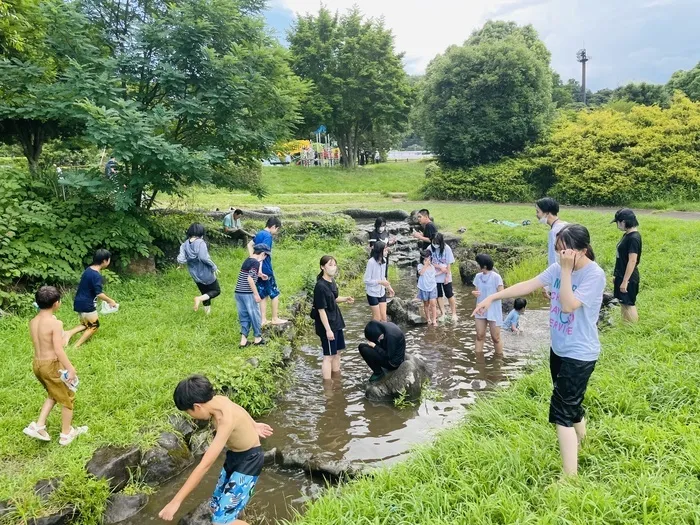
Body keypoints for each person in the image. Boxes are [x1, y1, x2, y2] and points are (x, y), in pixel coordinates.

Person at [472, 224, 606, 476]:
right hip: (560, 349)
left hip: (580, 354)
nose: (560, 257)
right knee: (570, 402)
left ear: (583, 250)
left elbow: (567, 306)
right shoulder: (558, 268)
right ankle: (585, 442)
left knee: (561, 412)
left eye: (565, 252)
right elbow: (528, 285)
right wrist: (492, 298)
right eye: (557, 251)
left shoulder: (594, 275)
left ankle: (570, 478)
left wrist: (566, 271)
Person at [158, 375, 273, 524]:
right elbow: (238, 408)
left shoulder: (225, 421)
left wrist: (176, 502)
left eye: (189, 412)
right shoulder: (218, 400)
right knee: (217, 504)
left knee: (222, 521)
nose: (191, 416)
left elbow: (204, 465)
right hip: (235, 456)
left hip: (249, 462)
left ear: (197, 406)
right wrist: (253, 424)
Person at [23, 286, 88, 445]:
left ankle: (39, 426)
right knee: (67, 397)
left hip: (38, 364)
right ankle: (66, 434)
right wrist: (70, 368)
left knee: (53, 393)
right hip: (51, 364)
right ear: (56, 304)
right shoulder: (55, 323)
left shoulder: (33, 321)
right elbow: (58, 350)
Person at [312, 255, 354, 380]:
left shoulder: (332, 282)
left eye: (335, 265)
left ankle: (336, 380)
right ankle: (328, 387)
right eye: (330, 265)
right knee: (328, 356)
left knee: (337, 353)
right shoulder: (320, 286)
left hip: (337, 322)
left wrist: (345, 298)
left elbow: (334, 299)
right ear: (322, 267)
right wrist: (328, 330)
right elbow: (321, 310)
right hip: (327, 325)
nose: (333, 268)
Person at [67, 249, 117, 348]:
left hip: (79, 302)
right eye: (109, 260)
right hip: (87, 304)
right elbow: (99, 294)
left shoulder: (88, 270)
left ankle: (67, 334)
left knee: (87, 324)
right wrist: (110, 301)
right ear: (104, 261)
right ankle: (76, 346)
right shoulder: (96, 275)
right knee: (94, 326)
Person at [249, 218, 287, 326]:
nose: (276, 232)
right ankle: (275, 318)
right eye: (277, 229)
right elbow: (262, 253)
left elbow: (249, 245)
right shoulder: (268, 236)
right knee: (274, 293)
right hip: (265, 268)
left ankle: (263, 320)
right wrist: (260, 269)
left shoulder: (259, 233)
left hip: (257, 268)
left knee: (263, 293)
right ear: (274, 226)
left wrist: (252, 259)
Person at [177, 223, 220, 314]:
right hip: (205, 272)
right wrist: (213, 267)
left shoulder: (184, 244)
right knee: (216, 291)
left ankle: (207, 315)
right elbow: (203, 257)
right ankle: (198, 299)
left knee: (205, 293)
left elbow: (181, 259)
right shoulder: (200, 242)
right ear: (201, 232)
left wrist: (181, 265)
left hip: (194, 274)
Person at [235, 244, 270, 348]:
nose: (265, 258)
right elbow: (250, 279)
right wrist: (256, 294)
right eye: (266, 256)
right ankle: (257, 338)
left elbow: (248, 274)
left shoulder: (248, 260)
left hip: (238, 292)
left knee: (244, 316)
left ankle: (243, 341)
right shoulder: (255, 263)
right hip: (247, 293)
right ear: (263, 254)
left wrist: (260, 275)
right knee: (255, 315)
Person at [612, 208, 642, 323]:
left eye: (618, 222)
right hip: (622, 274)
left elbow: (632, 261)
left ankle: (633, 328)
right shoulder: (627, 235)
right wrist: (617, 276)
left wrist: (625, 281)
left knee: (629, 303)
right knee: (623, 303)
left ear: (623, 222)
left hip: (629, 277)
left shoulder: (634, 238)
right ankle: (625, 326)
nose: (617, 225)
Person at [472, 254, 504, 355]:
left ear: (484, 266)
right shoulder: (478, 277)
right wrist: (474, 293)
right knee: (479, 335)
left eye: (478, 264)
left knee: (496, 338)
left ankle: (499, 359)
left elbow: (501, 294)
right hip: (481, 310)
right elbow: (477, 292)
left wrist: (490, 300)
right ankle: (478, 360)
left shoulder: (496, 277)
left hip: (493, 310)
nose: (477, 266)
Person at [364, 241, 394, 322]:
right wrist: (380, 282)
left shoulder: (384, 260)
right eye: (385, 249)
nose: (387, 251)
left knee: (384, 318)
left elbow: (383, 277)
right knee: (377, 318)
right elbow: (366, 280)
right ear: (380, 250)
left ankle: (383, 334)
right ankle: (374, 333)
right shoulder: (371, 262)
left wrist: (389, 287)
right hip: (372, 293)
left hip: (381, 292)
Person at [430, 233, 457, 321]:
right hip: (435, 276)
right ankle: (443, 313)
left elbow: (449, 263)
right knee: (439, 295)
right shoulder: (430, 248)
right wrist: (439, 267)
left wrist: (447, 276)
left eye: (437, 242)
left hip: (445, 275)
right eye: (434, 242)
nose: (435, 244)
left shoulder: (447, 248)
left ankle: (454, 313)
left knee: (449, 294)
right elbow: (428, 261)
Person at [535, 197, 568, 266]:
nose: (536, 215)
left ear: (546, 213)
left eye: (538, 212)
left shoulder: (554, 232)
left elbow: (554, 258)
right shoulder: (566, 225)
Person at [417, 249, 438, 326]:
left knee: (433, 303)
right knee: (426, 304)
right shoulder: (420, 266)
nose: (427, 259)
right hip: (423, 287)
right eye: (425, 258)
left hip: (432, 287)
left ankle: (434, 320)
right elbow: (421, 273)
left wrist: (444, 271)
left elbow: (434, 275)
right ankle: (428, 319)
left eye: (428, 257)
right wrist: (425, 265)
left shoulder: (432, 266)